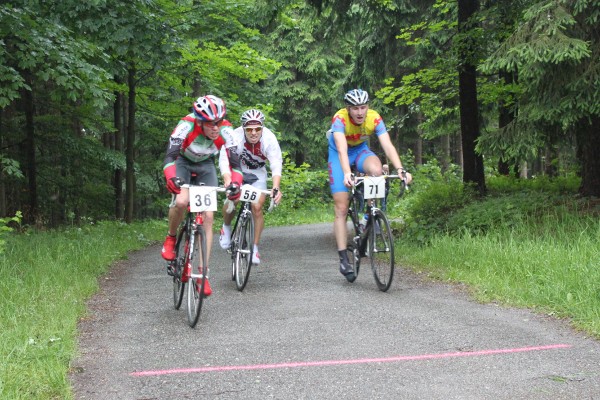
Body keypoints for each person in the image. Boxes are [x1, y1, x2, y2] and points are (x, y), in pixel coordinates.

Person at [327, 89, 413, 282]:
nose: (360, 112)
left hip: (360, 151)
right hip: (339, 154)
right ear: (348, 109)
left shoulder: (374, 118)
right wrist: (347, 173)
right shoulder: (339, 119)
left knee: (376, 171)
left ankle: (369, 215)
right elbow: (341, 149)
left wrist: (400, 169)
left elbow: (387, 145)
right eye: (355, 108)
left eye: (363, 107)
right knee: (341, 207)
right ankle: (343, 257)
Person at [161, 95, 243, 296]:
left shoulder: (227, 131)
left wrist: (235, 185)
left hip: (205, 165)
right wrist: (171, 178)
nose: (215, 127)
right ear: (199, 121)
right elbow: (169, 158)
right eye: (210, 123)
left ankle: (203, 274)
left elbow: (236, 166)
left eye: (218, 122)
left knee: (207, 217)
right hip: (182, 162)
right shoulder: (185, 126)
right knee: (181, 201)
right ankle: (171, 238)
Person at [218, 109, 283, 264]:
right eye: (249, 129)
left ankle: (254, 248)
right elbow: (224, 160)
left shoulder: (269, 139)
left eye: (257, 129)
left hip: (257, 174)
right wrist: (227, 180)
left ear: (262, 128)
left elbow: (275, 164)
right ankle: (226, 227)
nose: (254, 133)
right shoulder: (234, 136)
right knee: (232, 199)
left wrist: (276, 187)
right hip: (237, 170)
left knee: (257, 207)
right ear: (243, 128)